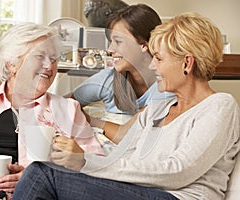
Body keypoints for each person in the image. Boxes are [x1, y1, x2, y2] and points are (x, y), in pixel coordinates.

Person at [13, 13, 240, 200]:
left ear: (187, 63)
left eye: (159, 59)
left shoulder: (219, 106)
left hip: (179, 197)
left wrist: (85, 162)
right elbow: (121, 159)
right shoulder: (157, 109)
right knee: (43, 169)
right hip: (142, 192)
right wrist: (71, 161)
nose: (152, 66)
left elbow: (178, 172)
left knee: (43, 175)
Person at [0, 23, 103, 199]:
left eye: (54, 59)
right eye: (40, 56)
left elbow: (98, 165)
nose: (49, 66)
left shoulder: (67, 109)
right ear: (11, 64)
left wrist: (36, 179)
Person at [0, 4, 174, 116]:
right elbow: (57, 105)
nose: (109, 50)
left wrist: (93, 122)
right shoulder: (109, 80)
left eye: (118, 41)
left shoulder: (171, 85)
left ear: (144, 44)